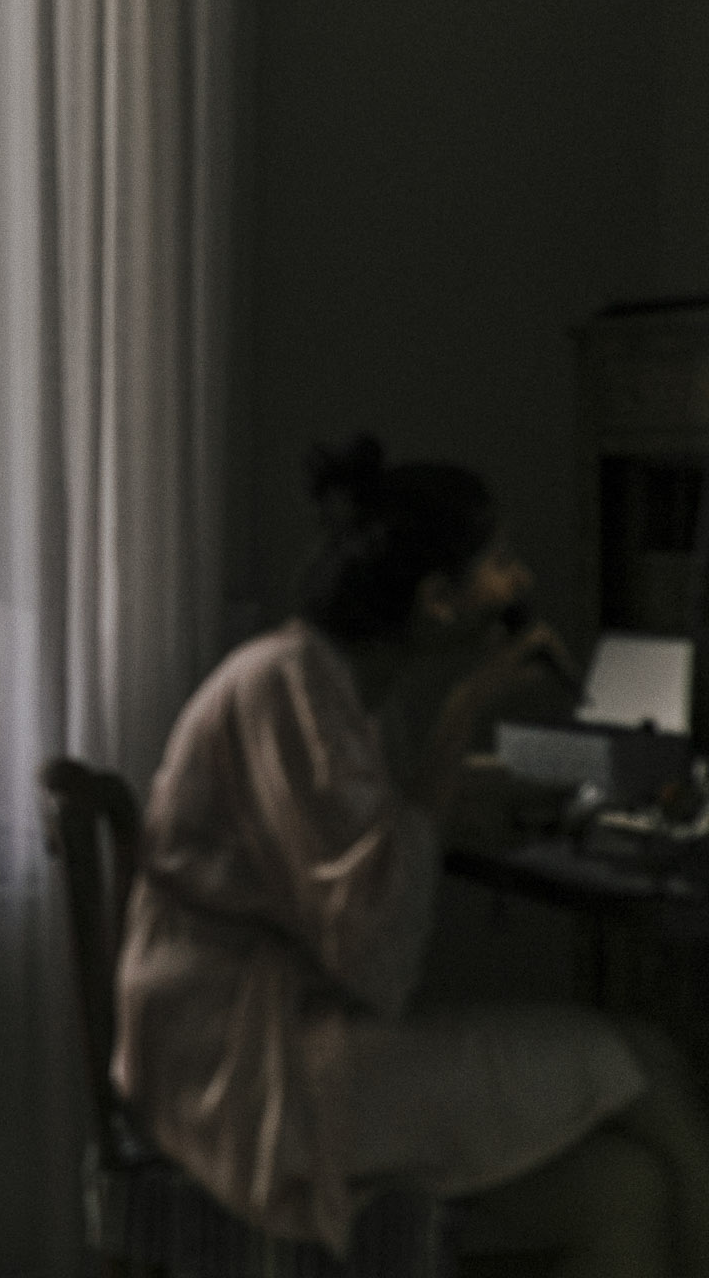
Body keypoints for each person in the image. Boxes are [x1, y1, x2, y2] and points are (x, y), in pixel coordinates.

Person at [115, 435, 709, 1277]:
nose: (519, 581)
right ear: (436, 599)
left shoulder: (337, 685)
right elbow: (373, 944)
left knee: (627, 1189)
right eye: (497, 562)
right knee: (648, 1059)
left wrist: (489, 786)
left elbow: (373, 832)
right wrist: (468, 704)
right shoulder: (291, 688)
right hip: (250, 1067)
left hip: (266, 1039)